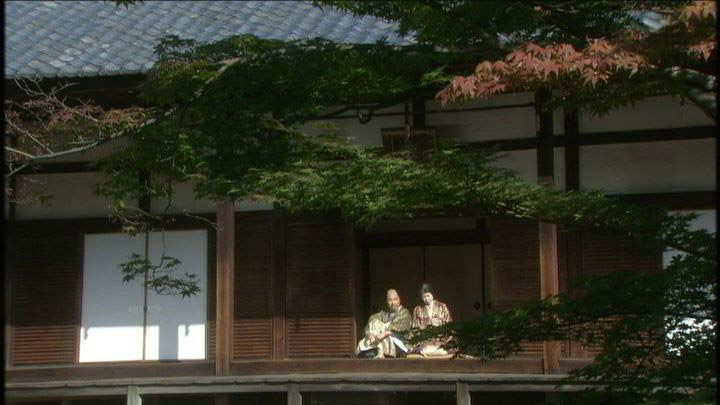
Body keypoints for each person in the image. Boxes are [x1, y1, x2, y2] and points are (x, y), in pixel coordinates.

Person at [356, 288, 412, 358]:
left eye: (395, 299)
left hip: (398, 343)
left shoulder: (405, 313)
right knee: (374, 323)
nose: (393, 303)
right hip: (379, 339)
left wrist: (384, 334)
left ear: (399, 300)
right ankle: (370, 352)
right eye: (390, 300)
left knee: (385, 339)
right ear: (386, 301)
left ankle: (377, 353)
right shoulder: (384, 314)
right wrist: (370, 334)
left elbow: (397, 328)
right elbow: (372, 319)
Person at [410, 282, 453, 357]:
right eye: (424, 297)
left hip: (441, 340)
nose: (426, 299)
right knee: (424, 349)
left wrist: (440, 324)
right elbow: (414, 329)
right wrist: (424, 328)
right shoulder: (417, 309)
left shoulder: (442, 307)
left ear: (432, 294)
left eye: (428, 296)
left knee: (444, 348)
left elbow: (449, 325)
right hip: (425, 342)